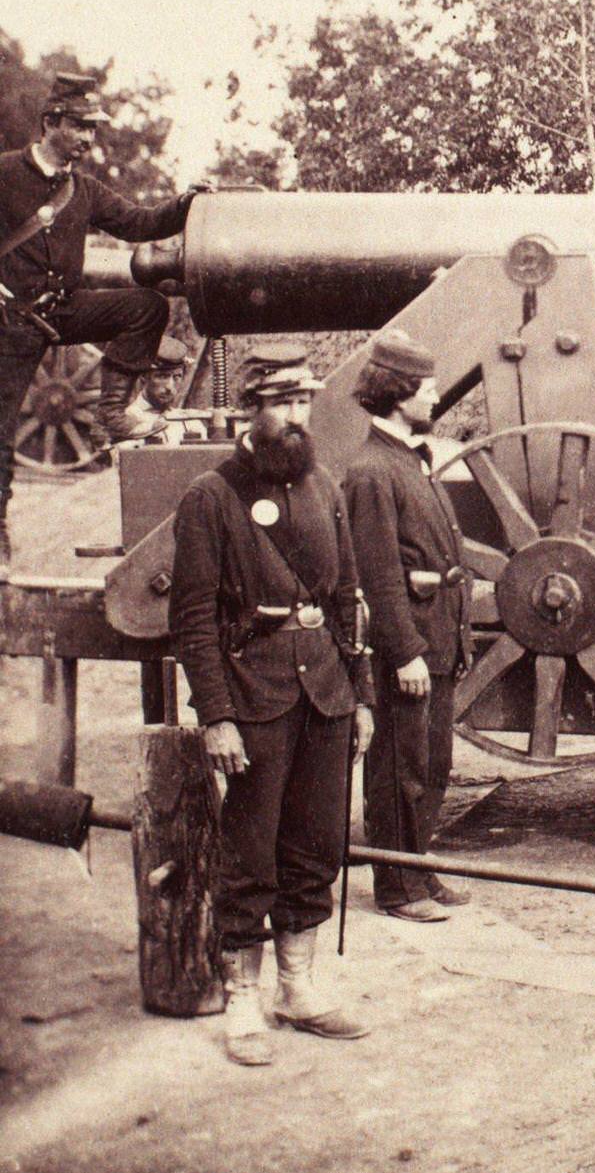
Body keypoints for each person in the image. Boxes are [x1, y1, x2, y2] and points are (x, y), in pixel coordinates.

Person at [170, 341, 375, 1066]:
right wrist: (217, 713)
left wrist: (363, 696)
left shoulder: (325, 488)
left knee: (316, 841)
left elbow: (349, 597)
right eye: (278, 403)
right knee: (249, 848)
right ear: (248, 408)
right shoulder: (210, 497)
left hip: (325, 688)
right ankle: (243, 1000)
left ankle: (300, 987)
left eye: (301, 402)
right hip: (254, 693)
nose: (293, 417)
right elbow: (193, 617)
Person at [0, 73, 202, 571]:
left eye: (94, 129)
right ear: (51, 123)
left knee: (147, 307)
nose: (90, 139)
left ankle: (111, 412)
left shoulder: (83, 189)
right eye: (80, 127)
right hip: (10, 323)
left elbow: (141, 224)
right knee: (0, 436)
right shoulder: (4, 174)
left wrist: (187, 203)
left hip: (62, 311)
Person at [343, 329, 473, 924]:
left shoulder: (406, 460)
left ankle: (416, 866)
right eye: (428, 387)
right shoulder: (373, 472)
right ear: (400, 395)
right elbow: (377, 575)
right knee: (399, 765)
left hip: (436, 637)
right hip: (411, 645)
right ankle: (396, 887)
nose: (437, 395)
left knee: (433, 762)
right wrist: (403, 653)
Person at [116, 335, 207, 446]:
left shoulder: (189, 422)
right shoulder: (124, 421)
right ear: (143, 376)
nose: (170, 386)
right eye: (162, 376)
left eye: (177, 377)